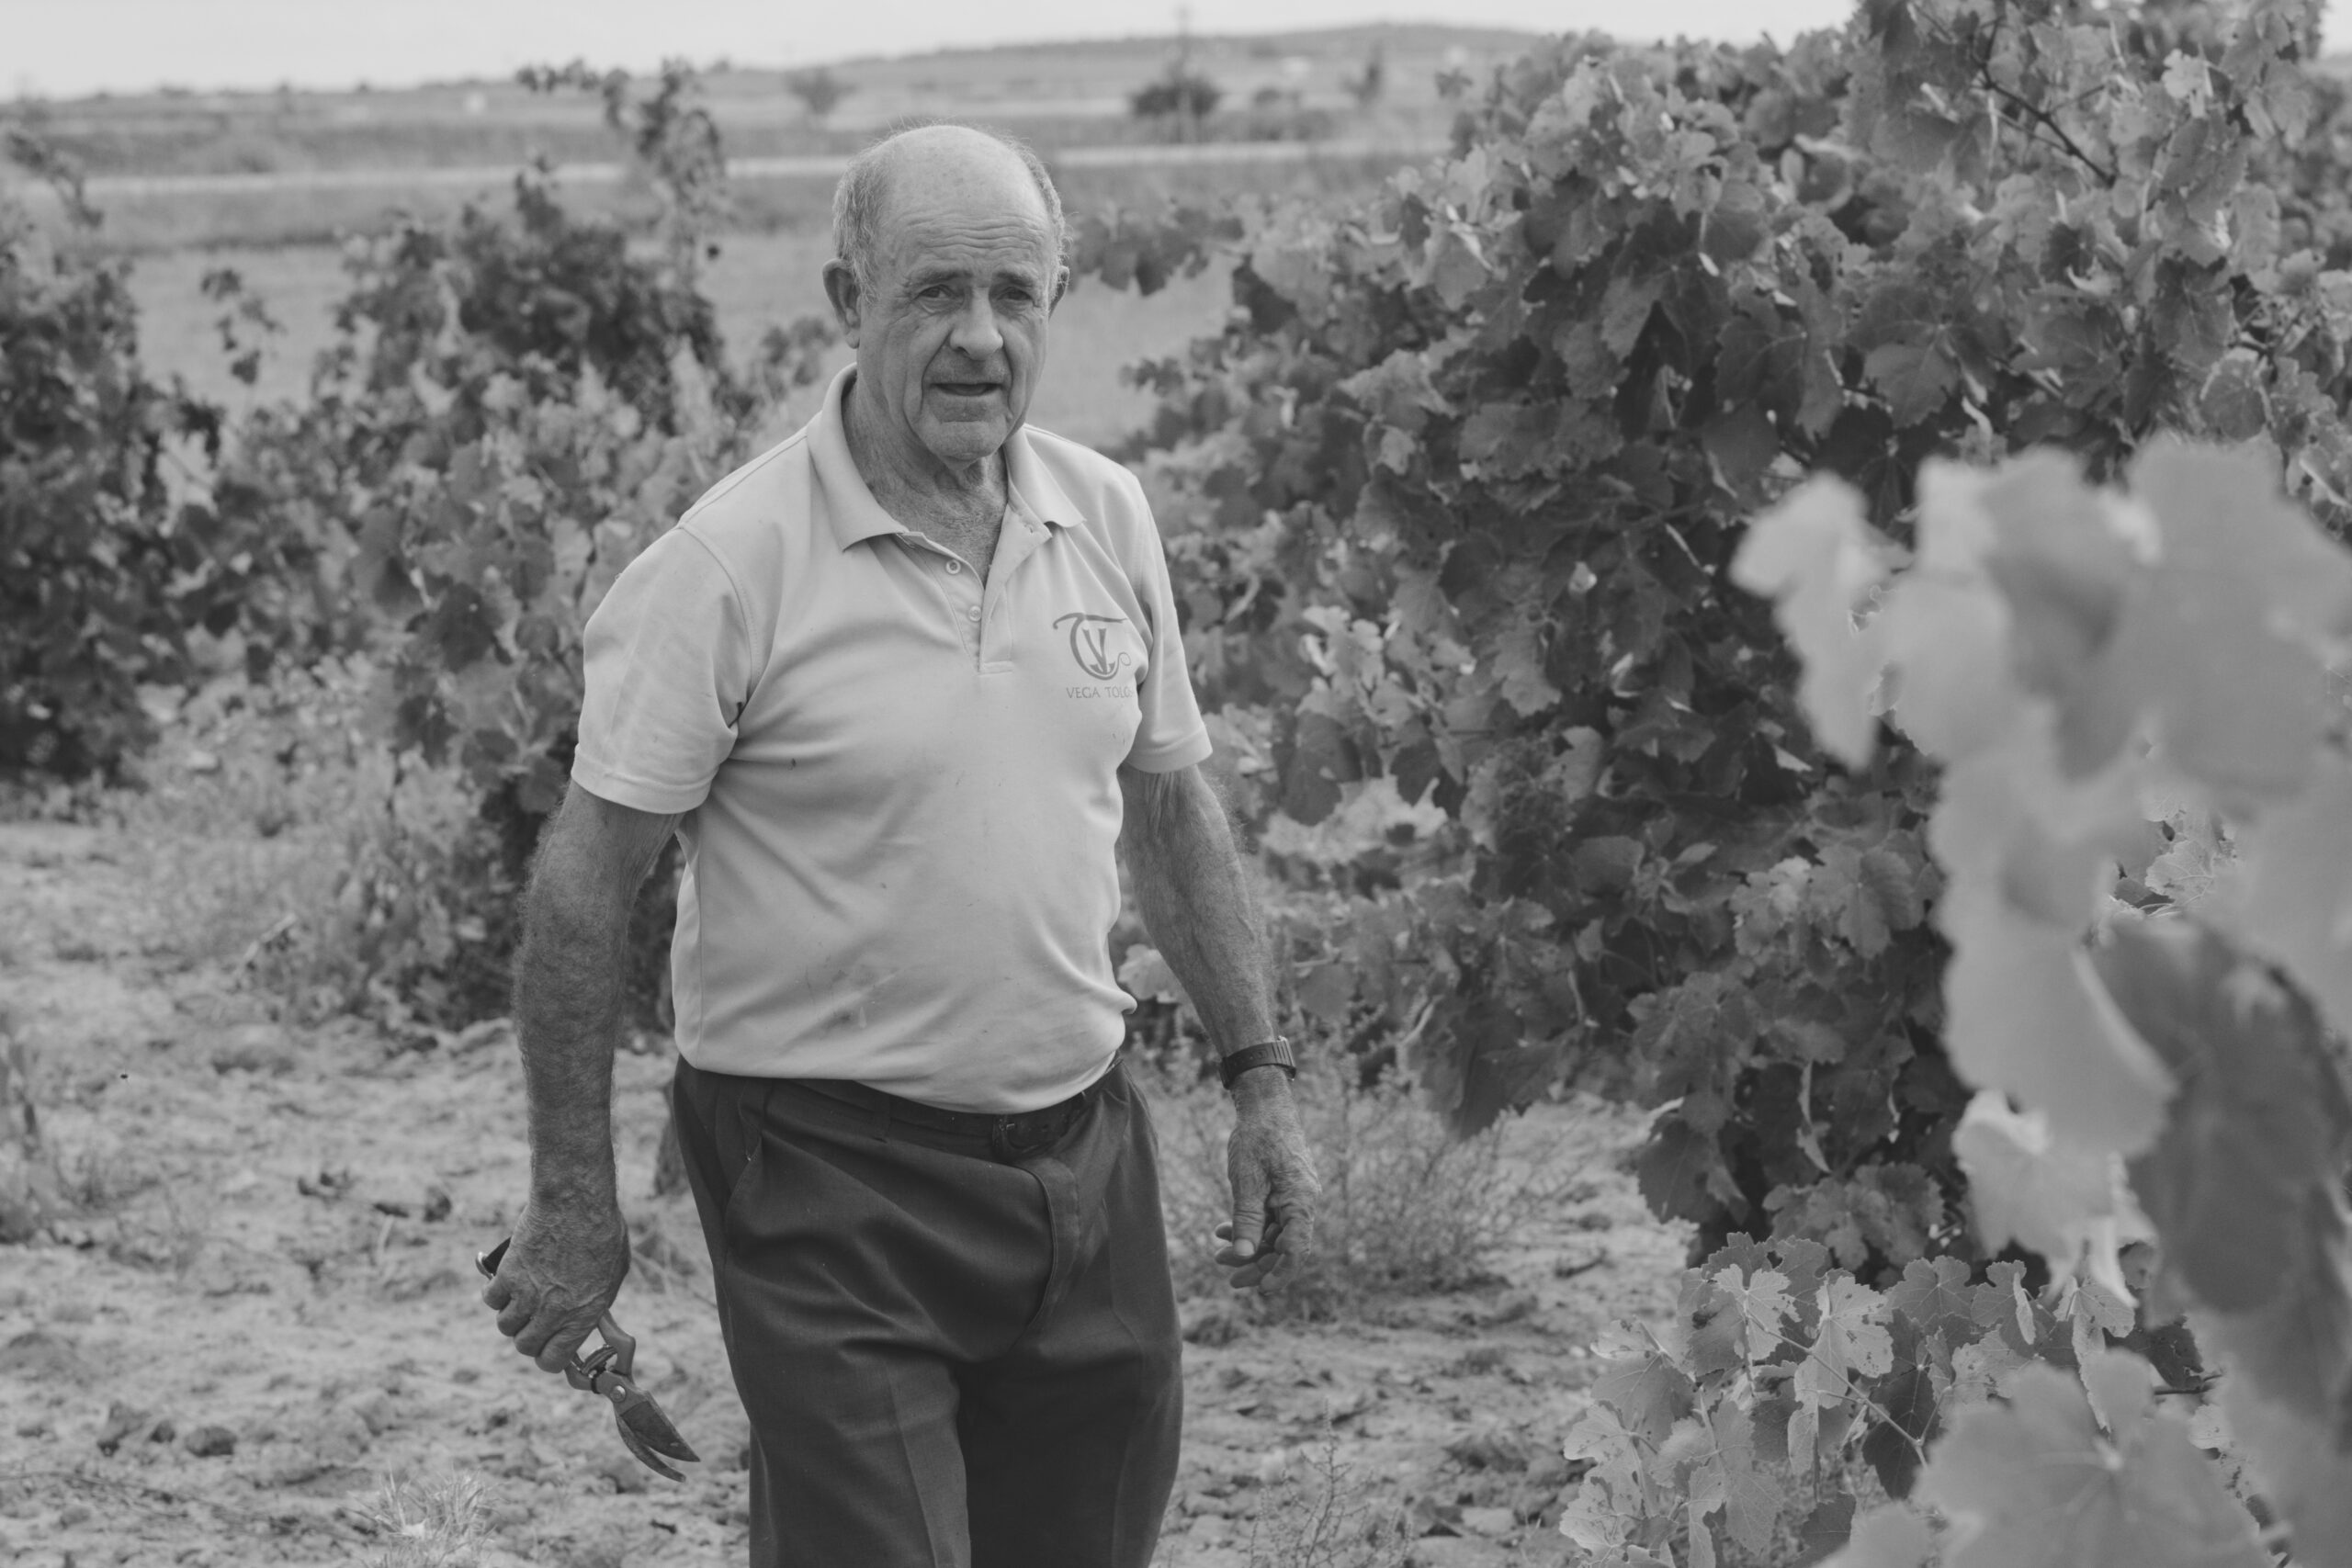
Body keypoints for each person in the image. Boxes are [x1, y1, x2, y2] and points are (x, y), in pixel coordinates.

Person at [479, 121, 1322, 1568]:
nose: (981, 338)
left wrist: (1261, 1082)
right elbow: (583, 887)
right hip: (823, 1168)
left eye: (1017, 295)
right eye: (934, 293)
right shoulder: (731, 566)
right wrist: (573, 1202)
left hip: (1083, 1156)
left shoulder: (1103, 514)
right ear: (844, 303)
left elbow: (1173, 806)